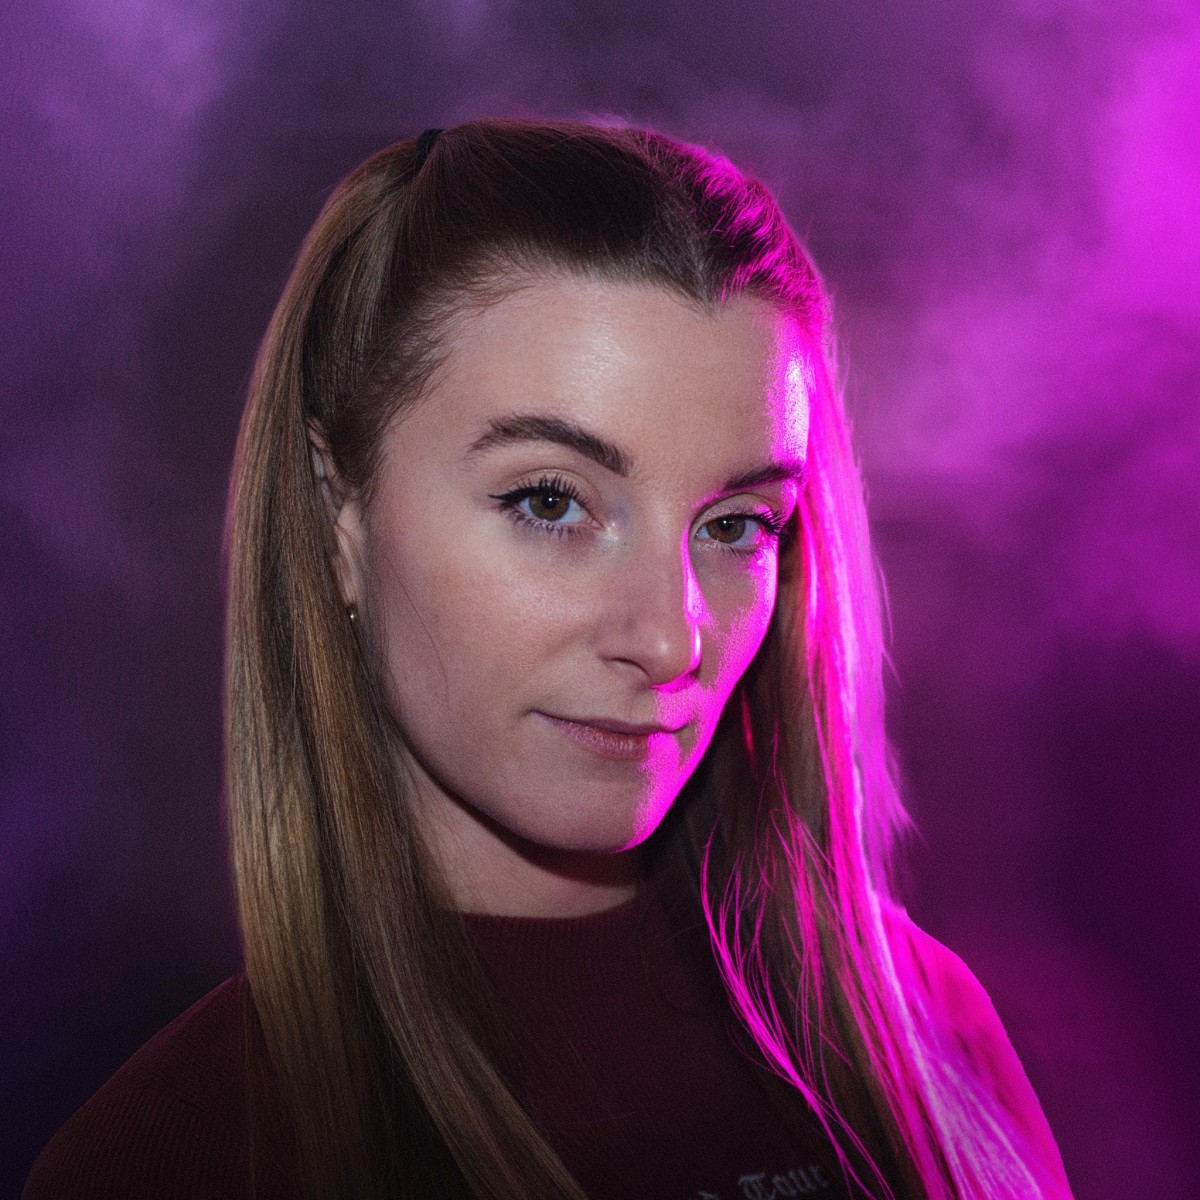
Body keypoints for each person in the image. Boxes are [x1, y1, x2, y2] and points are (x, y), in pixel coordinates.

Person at [24, 118, 1073, 1200]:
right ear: (340, 516)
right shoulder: (179, 1159)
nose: (670, 639)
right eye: (550, 502)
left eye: (736, 526)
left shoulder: (919, 1028)